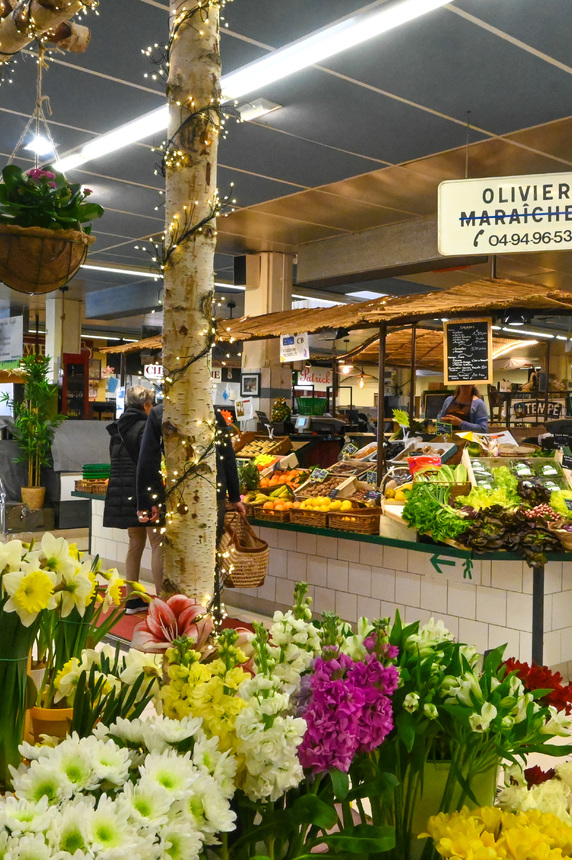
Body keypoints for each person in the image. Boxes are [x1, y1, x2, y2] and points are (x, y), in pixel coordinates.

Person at [136, 404, 245, 547]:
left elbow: (148, 458)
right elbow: (227, 456)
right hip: (212, 489)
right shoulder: (210, 411)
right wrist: (235, 496)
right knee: (210, 548)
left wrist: (148, 501)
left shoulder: (161, 412)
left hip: (179, 492)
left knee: (180, 550)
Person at [103, 386, 162, 614]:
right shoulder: (145, 428)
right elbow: (149, 464)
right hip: (143, 492)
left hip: (123, 492)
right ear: (146, 405)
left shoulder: (117, 428)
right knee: (158, 542)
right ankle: (162, 602)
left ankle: (132, 599)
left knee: (135, 543)